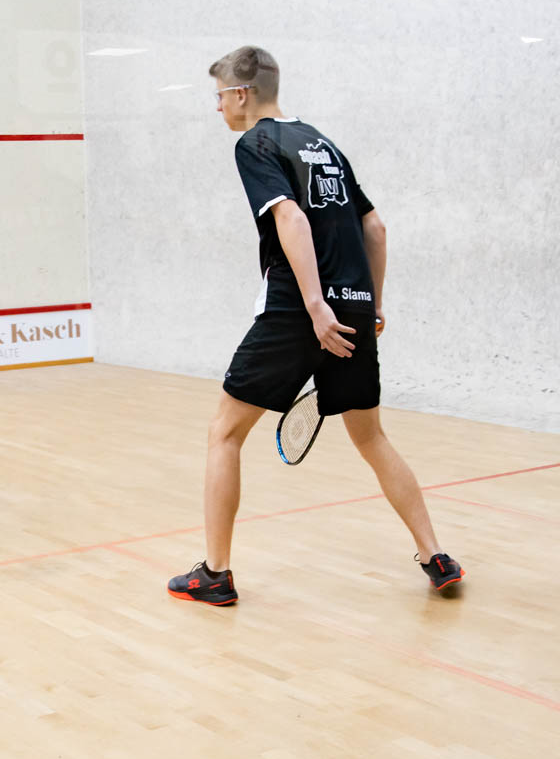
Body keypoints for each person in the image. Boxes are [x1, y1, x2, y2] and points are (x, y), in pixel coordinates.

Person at [169, 46, 464, 606]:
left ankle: (215, 574)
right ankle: (436, 556)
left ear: (240, 94)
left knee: (224, 432)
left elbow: (290, 217)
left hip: (298, 310)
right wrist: (370, 305)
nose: (217, 107)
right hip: (354, 308)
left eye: (219, 96)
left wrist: (314, 305)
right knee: (371, 436)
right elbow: (375, 228)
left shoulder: (254, 143)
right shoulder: (322, 143)